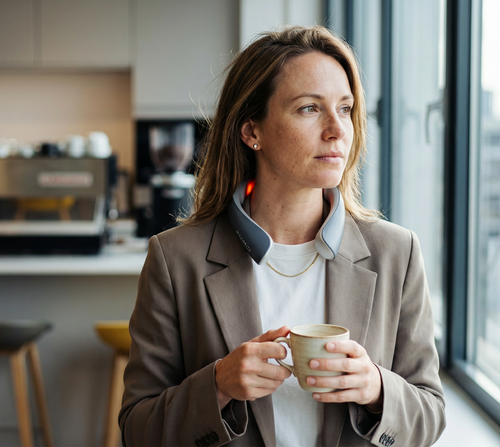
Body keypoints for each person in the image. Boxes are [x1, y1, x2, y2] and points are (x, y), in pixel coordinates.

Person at [119, 25, 446, 447]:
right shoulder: (174, 258)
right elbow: (137, 429)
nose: (337, 129)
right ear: (251, 131)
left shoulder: (397, 253)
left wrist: (377, 388)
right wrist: (218, 385)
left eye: (345, 108)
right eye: (309, 108)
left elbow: (430, 415)